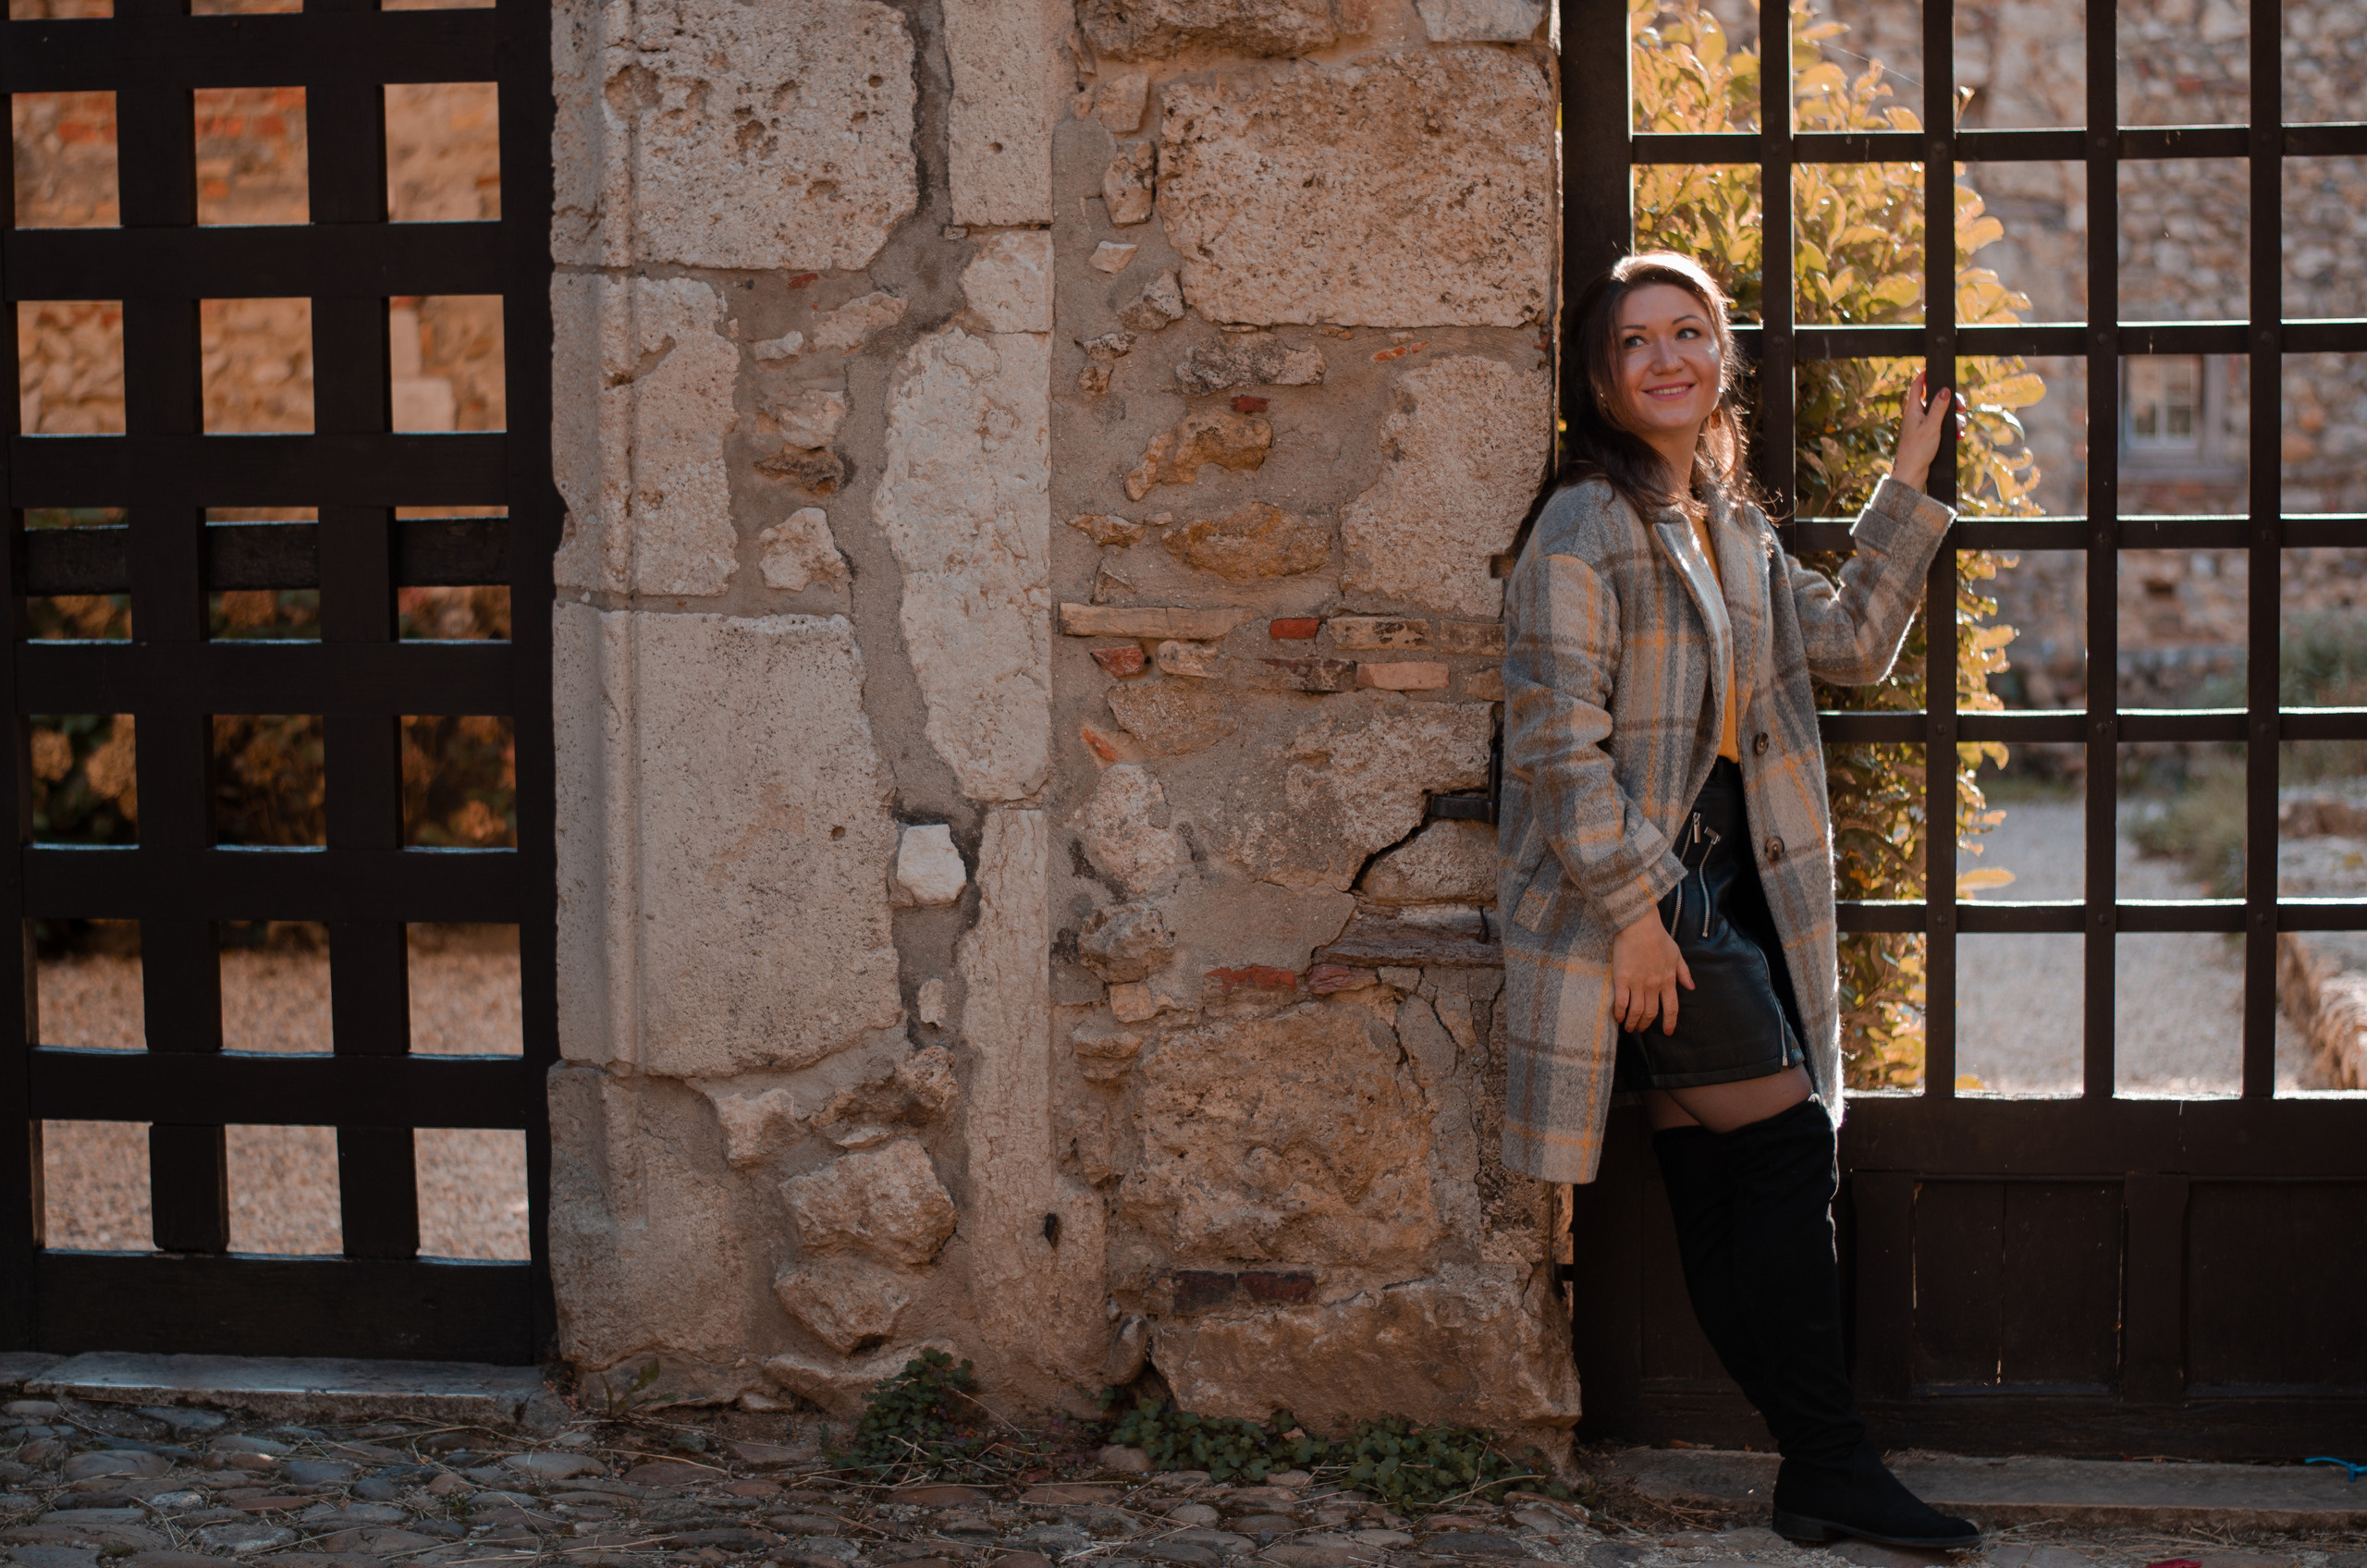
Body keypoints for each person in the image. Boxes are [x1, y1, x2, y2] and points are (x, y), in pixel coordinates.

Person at [1497, 251, 1978, 1549]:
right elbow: (1552, 744)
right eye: (1639, 340)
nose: (1668, 359)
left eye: (1690, 334)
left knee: (1723, 1177)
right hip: (1659, 896)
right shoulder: (1582, 524)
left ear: (1723, 362)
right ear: (1603, 375)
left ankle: (1817, 1464)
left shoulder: (1733, 518)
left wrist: (1907, 490)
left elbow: (1850, 647)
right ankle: (1829, 1461)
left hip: (1738, 880)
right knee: (1778, 1153)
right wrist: (1637, 916)